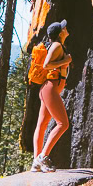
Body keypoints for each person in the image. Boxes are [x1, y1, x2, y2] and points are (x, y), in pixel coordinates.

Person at [32, 19, 71, 172]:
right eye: (64, 28)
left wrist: (63, 61)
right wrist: (65, 61)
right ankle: (43, 156)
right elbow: (46, 65)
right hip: (50, 88)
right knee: (63, 123)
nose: (66, 28)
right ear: (60, 33)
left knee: (42, 125)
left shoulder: (57, 46)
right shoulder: (56, 45)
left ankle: (36, 162)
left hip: (48, 88)